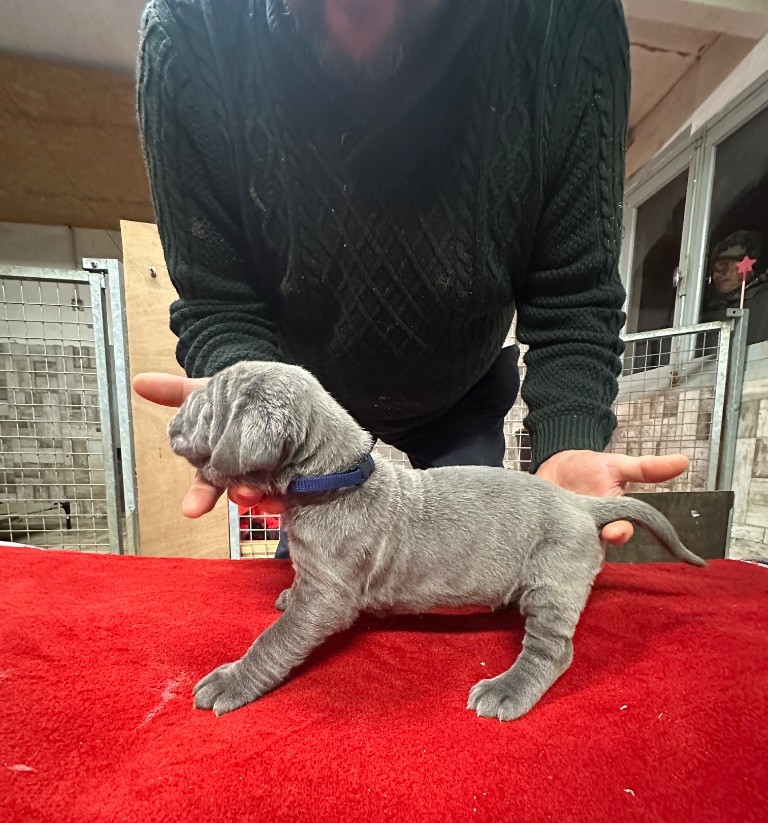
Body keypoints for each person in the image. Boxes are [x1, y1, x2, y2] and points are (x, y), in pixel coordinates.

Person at [133, 0, 688, 556]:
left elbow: (574, 295)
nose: (352, 17)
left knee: (471, 564)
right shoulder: (191, 32)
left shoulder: (562, 19)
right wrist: (251, 397)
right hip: (305, 407)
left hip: (459, 394)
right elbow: (220, 303)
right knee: (320, 570)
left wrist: (568, 434)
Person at [703, 231, 768, 346]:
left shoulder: (764, 301)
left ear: (751, 267)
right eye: (713, 270)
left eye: (725, 266)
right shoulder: (707, 311)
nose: (716, 275)